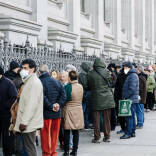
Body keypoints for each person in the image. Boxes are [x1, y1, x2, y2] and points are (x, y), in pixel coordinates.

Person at [14, 59, 44, 156]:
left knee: (30, 148)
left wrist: (24, 122)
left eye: (25, 68)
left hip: (29, 123)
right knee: (27, 147)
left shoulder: (34, 82)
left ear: (33, 69)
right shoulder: (29, 81)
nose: (23, 70)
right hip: (28, 122)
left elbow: (31, 105)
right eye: (22, 68)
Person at [39, 64, 66, 156]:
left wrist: (51, 106)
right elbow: (63, 95)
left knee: (45, 135)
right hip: (57, 113)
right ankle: (53, 152)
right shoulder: (57, 82)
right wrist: (58, 104)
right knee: (55, 135)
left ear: (39, 72)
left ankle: (47, 153)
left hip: (46, 113)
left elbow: (42, 97)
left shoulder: (40, 82)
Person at [87, 58, 115, 143]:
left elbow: (88, 86)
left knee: (96, 119)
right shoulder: (106, 72)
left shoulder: (90, 73)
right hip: (107, 98)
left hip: (96, 98)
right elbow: (111, 82)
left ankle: (97, 137)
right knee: (107, 119)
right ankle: (107, 137)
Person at [63, 71, 84, 156]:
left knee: (67, 131)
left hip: (69, 110)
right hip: (78, 110)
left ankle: (66, 151)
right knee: (76, 132)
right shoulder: (80, 86)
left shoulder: (68, 87)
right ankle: (75, 151)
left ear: (69, 78)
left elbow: (66, 99)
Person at [0, 65, 17, 155]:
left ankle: (8, 153)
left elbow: (14, 98)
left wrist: (4, 105)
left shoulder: (8, 83)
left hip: (6, 115)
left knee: (7, 137)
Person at [120, 62, 139, 139]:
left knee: (129, 117)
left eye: (125, 68)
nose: (124, 69)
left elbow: (132, 89)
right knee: (131, 117)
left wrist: (125, 96)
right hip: (132, 99)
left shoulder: (132, 76)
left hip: (130, 99)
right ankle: (132, 132)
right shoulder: (132, 75)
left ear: (129, 68)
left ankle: (128, 133)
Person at [114, 67, 127, 134]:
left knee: (121, 114)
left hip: (120, 97)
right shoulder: (126, 75)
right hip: (122, 97)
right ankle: (125, 128)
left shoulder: (120, 75)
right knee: (124, 114)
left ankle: (124, 128)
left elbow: (117, 87)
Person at [78, 62, 91, 129]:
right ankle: (84, 124)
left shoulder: (83, 74)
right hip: (85, 93)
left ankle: (84, 124)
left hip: (84, 94)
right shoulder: (85, 74)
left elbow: (85, 85)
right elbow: (85, 85)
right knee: (85, 110)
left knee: (84, 110)